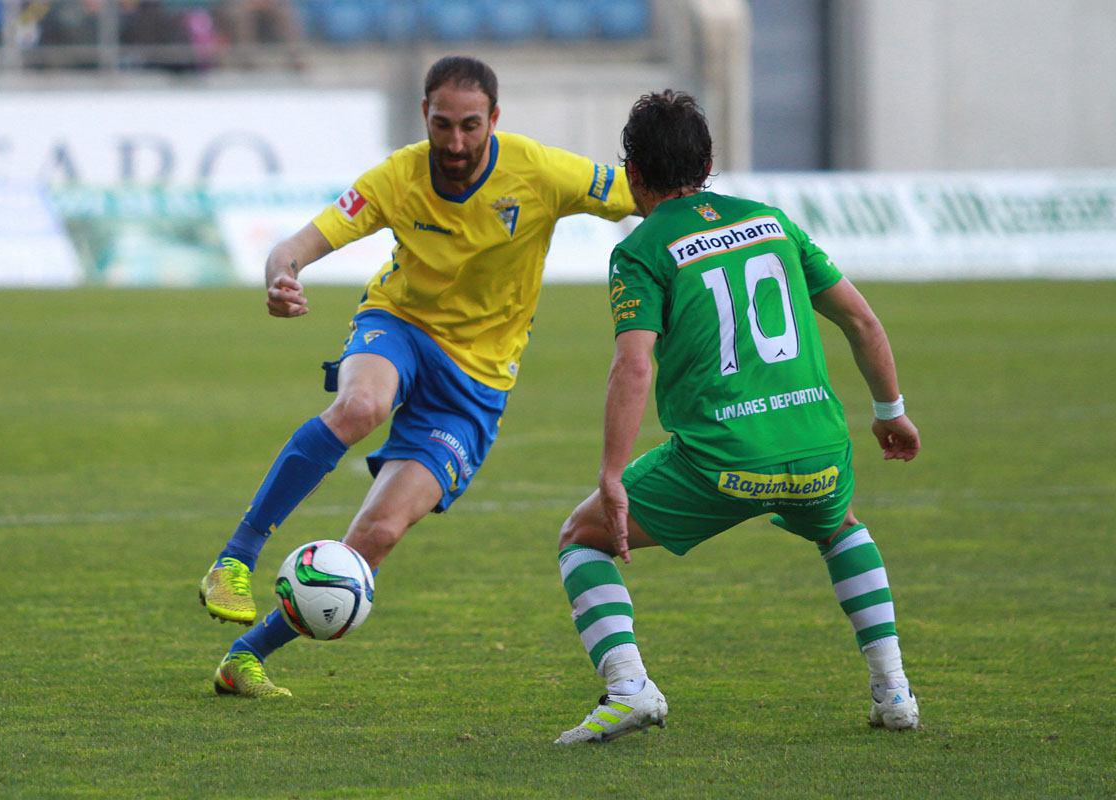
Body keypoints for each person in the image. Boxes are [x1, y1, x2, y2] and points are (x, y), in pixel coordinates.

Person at [200, 55, 636, 697]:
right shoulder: (398, 177)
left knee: (374, 537)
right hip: (399, 326)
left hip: (475, 386)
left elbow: (642, 192)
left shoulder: (540, 171)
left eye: (469, 126)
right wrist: (280, 277)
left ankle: (245, 657)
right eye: (441, 125)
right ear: (423, 117)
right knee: (362, 406)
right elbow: (295, 244)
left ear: (494, 119)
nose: (454, 143)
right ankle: (233, 560)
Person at [553, 90, 922, 744]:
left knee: (582, 537)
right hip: (819, 452)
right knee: (839, 526)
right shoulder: (772, 222)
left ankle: (628, 687)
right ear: (709, 163)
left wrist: (613, 472)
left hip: (719, 464)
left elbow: (634, 366)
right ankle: (894, 689)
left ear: (633, 174)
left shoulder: (641, 250)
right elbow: (861, 319)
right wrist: (890, 412)